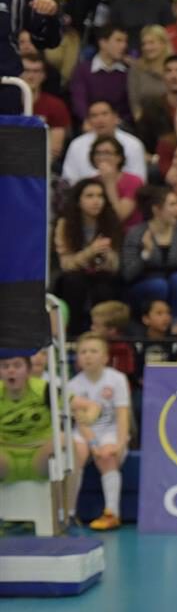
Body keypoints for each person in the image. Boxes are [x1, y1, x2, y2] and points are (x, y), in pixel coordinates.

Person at [66, 332, 129, 529]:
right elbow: (81, 422)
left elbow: (122, 415)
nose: (88, 356)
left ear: (105, 357)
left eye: (93, 351)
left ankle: (112, 513)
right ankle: (69, 514)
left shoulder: (117, 379)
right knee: (77, 452)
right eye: (83, 352)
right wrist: (93, 444)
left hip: (111, 430)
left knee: (108, 455)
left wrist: (120, 444)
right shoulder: (72, 385)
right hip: (84, 433)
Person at [54, 178, 123, 334]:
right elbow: (66, 264)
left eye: (100, 196)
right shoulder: (65, 224)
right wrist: (90, 252)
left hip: (102, 275)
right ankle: (73, 334)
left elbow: (116, 265)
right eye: (89, 196)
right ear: (78, 201)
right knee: (74, 282)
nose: (96, 201)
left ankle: (103, 334)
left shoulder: (111, 222)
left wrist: (107, 255)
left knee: (106, 286)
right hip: (75, 276)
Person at [0, 354, 80, 487]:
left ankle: (69, 501)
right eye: (5, 366)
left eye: (17, 365)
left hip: (39, 457)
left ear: (28, 370)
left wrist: (89, 414)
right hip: (6, 459)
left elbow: (86, 406)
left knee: (65, 440)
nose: (11, 370)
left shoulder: (44, 389)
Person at [122, 188, 177, 321]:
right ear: (156, 209)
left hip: (174, 285)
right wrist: (146, 254)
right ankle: (154, 322)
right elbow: (128, 274)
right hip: (142, 287)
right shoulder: (136, 233)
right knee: (159, 285)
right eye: (172, 204)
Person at [62, 101, 147, 184]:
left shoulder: (133, 144)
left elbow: (139, 180)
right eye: (94, 116)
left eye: (104, 114)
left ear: (116, 117)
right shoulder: (76, 145)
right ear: (89, 120)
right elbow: (69, 180)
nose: (100, 120)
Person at [70, 26, 130, 125]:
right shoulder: (83, 70)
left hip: (120, 126)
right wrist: (89, 120)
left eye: (125, 41)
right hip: (89, 125)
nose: (124, 46)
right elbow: (79, 101)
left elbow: (129, 107)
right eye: (118, 40)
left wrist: (117, 122)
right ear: (103, 43)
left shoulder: (127, 73)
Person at [91, 136, 144, 228]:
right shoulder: (91, 182)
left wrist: (109, 183)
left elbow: (119, 216)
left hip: (128, 233)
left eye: (107, 153)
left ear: (119, 157)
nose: (102, 157)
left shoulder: (133, 181)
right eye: (98, 153)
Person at [22, 57, 69, 155]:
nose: (31, 76)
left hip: (41, 161)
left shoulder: (55, 105)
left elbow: (55, 149)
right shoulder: (6, 104)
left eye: (36, 71)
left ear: (44, 75)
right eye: (26, 70)